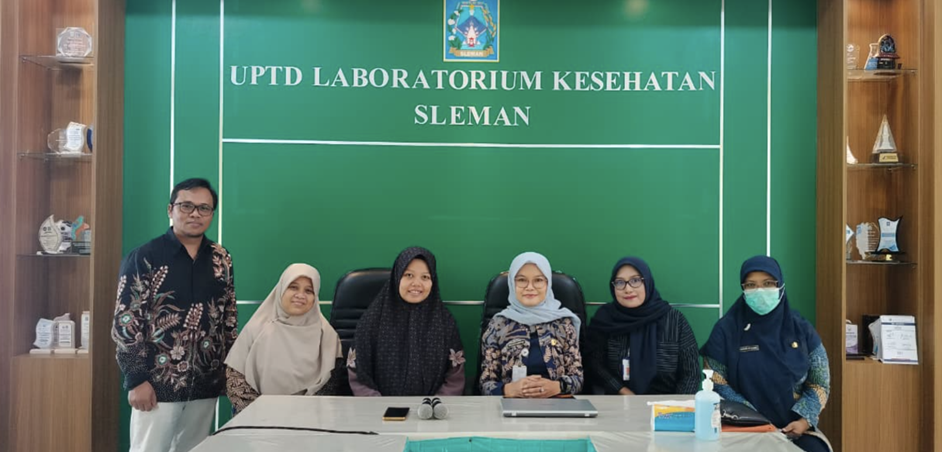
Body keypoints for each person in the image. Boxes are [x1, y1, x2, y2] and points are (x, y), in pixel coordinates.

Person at [112, 178, 237, 452]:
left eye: (204, 208)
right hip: (156, 384)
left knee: (194, 449)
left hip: (205, 381)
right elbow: (126, 323)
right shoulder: (145, 257)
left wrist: (228, 373)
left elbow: (228, 320)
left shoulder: (221, 259)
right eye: (186, 206)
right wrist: (136, 379)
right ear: (170, 209)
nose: (195, 214)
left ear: (212, 213)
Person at [701, 255, 831, 452]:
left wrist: (804, 421)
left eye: (768, 283)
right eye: (751, 285)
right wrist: (753, 419)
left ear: (781, 286)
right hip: (741, 427)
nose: (760, 290)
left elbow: (819, 383)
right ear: (743, 289)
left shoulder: (802, 329)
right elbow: (716, 380)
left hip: (793, 429)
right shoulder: (726, 329)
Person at [225, 264, 344, 415]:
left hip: (309, 419)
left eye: (309, 291)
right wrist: (261, 415)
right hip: (257, 419)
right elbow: (235, 381)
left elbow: (330, 385)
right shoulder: (256, 329)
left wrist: (300, 415)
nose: (300, 295)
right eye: (293, 287)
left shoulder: (327, 335)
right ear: (281, 289)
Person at [347, 247, 465, 396]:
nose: (417, 283)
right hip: (378, 407)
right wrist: (378, 404)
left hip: (433, 407)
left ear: (433, 281)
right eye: (409, 275)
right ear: (397, 277)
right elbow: (358, 375)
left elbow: (454, 377)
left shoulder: (445, 322)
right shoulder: (372, 320)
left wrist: (434, 405)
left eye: (425, 277)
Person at [585, 256, 700, 395]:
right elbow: (595, 364)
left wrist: (677, 405)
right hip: (617, 401)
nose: (628, 289)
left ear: (647, 282)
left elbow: (691, 374)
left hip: (667, 403)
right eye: (620, 282)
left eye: (635, 280)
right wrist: (622, 391)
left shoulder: (675, 320)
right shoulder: (605, 319)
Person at [479, 252, 583, 397]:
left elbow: (578, 379)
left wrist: (557, 387)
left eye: (538, 280)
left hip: (557, 403)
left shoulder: (564, 324)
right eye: (522, 280)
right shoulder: (498, 325)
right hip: (510, 404)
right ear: (512, 283)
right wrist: (510, 390)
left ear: (548, 284)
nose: (530, 287)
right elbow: (485, 384)